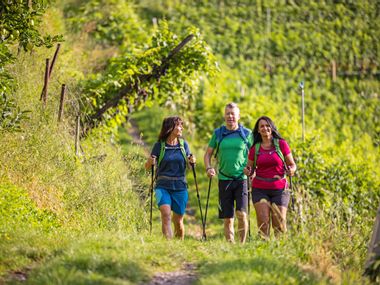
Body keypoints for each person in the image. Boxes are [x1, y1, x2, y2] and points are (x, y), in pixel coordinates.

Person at [204, 103, 253, 243]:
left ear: (238, 116)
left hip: (241, 179)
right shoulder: (218, 133)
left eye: (233, 114)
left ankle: (241, 246)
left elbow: (255, 155)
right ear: (224, 116)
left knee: (242, 214)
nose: (230, 116)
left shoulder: (247, 134)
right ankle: (230, 246)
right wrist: (208, 168)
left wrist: (250, 169)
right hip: (224, 179)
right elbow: (208, 154)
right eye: (227, 114)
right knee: (228, 218)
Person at [243, 116, 296, 239]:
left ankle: (280, 252)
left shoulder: (281, 144)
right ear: (258, 130)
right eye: (262, 126)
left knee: (280, 224)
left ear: (272, 128)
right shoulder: (254, 148)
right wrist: (247, 171)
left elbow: (292, 165)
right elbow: (249, 170)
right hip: (260, 189)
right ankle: (264, 252)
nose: (265, 128)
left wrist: (291, 170)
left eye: (267, 125)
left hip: (280, 189)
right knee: (263, 223)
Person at [145, 116, 196, 240]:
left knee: (178, 221)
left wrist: (192, 161)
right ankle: (168, 246)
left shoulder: (184, 145)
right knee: (166, 215)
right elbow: (147, 167)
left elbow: (190, 165)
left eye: (181, 125)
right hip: (162, 186)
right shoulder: (159, 146)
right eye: (179, 125)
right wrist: (150, 161)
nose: (181, 128)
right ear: (170, 127)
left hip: (180, 186)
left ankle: (178, 245)